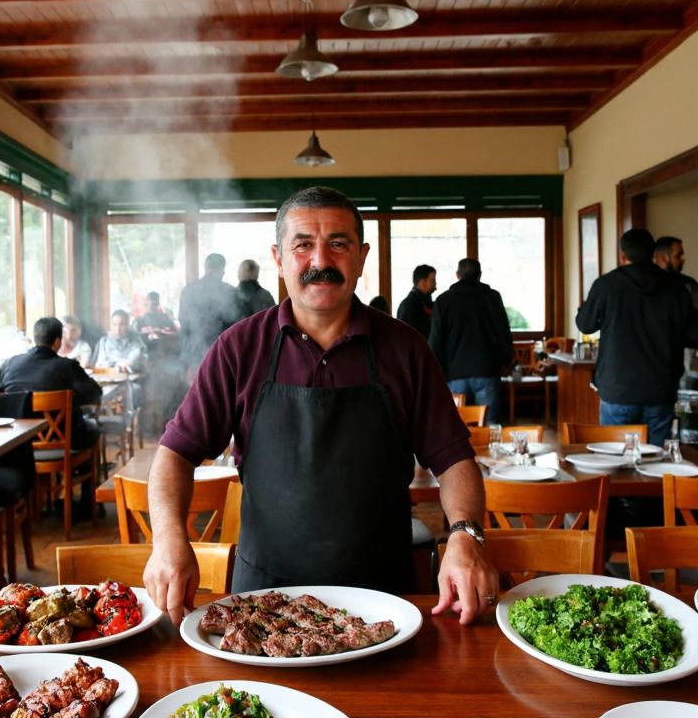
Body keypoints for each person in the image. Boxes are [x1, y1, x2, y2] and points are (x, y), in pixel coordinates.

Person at [144, 185, 495, 626]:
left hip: (384, 598)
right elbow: (175, 453)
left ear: (362, 256)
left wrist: (465, 535)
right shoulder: (239, 347)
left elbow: (454, 459)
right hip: (264, 603)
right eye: (304, 245)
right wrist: (169, 538)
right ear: (278, 257)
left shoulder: (406, 348)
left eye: (338, 244)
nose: (321, 262)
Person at [575, 228, 698, 444]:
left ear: (622, 256)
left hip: (618, 387)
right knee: (654, 464)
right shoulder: (675, 288)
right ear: (653, 254)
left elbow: (585, 324)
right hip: (660, 388)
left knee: (615, 461)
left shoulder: (607, 285)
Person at [0, 316, 102, 450]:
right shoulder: (68, 366)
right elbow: (95, 394)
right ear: (58, 342)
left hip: (18, 442)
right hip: (62, 439)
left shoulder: (8, 365)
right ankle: (80, 470)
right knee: (93, 428)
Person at [429, 258, 513, 424]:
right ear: (480, 275)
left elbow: (436, 341)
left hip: (454, 374)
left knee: (456, 428)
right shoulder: (492, 297)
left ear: (457, 275)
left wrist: (438, 373)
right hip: (487, 371)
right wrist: (503, 363)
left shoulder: (444, 300)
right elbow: (504, 334)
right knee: (490, 427)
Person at [655, 236, 698, 365]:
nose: (683, 260)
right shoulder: (648, 287)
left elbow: (697, 323)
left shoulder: (689, 285)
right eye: (678, 255)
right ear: (663, 258)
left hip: (680, 360)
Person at [178, 253, 238, 371]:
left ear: (205, 268)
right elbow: (235, 325)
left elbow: (183, 323)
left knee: (196, 388)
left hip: (193, 355)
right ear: (222, 270)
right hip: (221, 356)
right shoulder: (229, 291)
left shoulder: (188, 291)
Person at [94, 310, 148, 375]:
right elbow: (100, 364)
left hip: (132, 378)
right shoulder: (104, 341)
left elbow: (135, 359)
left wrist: (125, 365)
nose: (117, 329)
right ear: (110, 325)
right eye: (114, 324)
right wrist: (116, 367)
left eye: (122, 324)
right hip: (108, 377)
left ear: (128, 325)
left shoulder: (136, 341)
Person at [395, 263, 436, 340]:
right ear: (423, 282)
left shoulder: (425, 303)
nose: (435, 285)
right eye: (432, 280)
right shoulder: (409, 305)